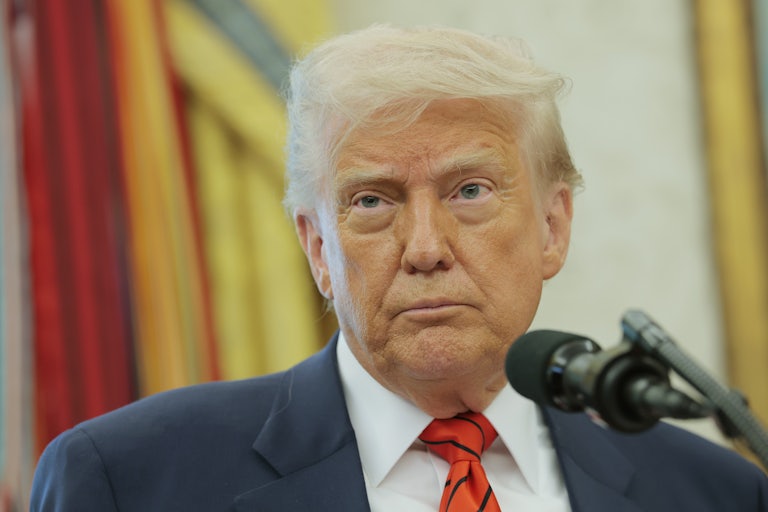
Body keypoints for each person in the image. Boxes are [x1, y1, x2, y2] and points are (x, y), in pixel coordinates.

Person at [31, 24, 768, 511]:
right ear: (319, 249)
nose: (424, 247)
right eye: (372, 201)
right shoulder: (130, 482)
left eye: (470, 191)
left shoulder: (713, 493)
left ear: (553, 226)